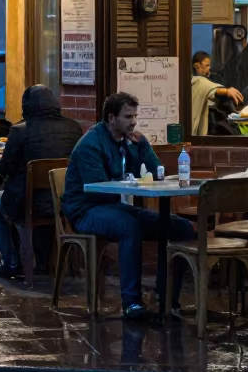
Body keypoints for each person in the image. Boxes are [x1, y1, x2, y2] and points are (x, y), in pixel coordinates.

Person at [62, 93, 196, 319]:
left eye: (135, 116)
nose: (133, 121)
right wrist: (130, 182)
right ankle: (132, 303)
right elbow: (98, 188)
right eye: (128, 116)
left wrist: (143, 147)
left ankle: (166, 298)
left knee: (181, 227)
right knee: (128, 226)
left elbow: (156, 173)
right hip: (85, 210)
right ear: (112, 118)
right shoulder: (90, 144)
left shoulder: (132, 141)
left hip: (116, 207)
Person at [0, 84, 83, 279]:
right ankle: (44, 262)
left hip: (28, 202)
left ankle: (11, 262)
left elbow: (4, 169)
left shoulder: (19, 130)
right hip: (64, 201)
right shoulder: (74, 127)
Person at [191, 51, 243, 136]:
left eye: (209, 65)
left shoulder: (212, 78)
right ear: (197, 66)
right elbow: (213, 90)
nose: (209, 68)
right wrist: (227, 91)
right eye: (207, 65)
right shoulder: (196, 81)